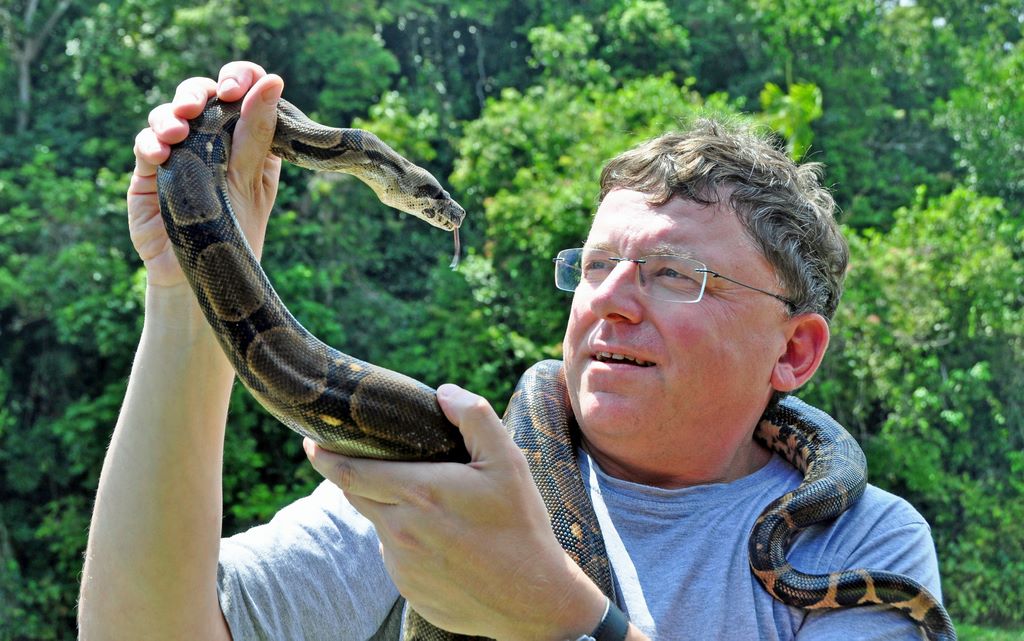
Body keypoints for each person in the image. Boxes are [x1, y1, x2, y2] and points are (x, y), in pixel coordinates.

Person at [78, 61, 945, 641]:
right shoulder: (449, 483)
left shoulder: (854, 538)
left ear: (794, 350)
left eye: (673, 274)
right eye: (595, 265)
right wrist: (190, 291)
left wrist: (554, 613)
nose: (606, 296)